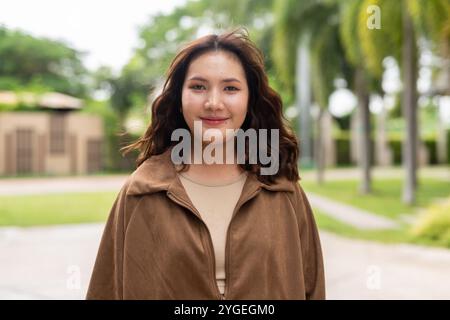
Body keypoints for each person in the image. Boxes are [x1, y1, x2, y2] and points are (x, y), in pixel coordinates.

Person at [86, 28, 325, 300]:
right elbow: (106, 290)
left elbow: (312, 287)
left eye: (231, 88)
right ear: (179, 98)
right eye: (198, 86)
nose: (213, 103)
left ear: (250, 99)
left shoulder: (282, 188)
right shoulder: (142, 191)